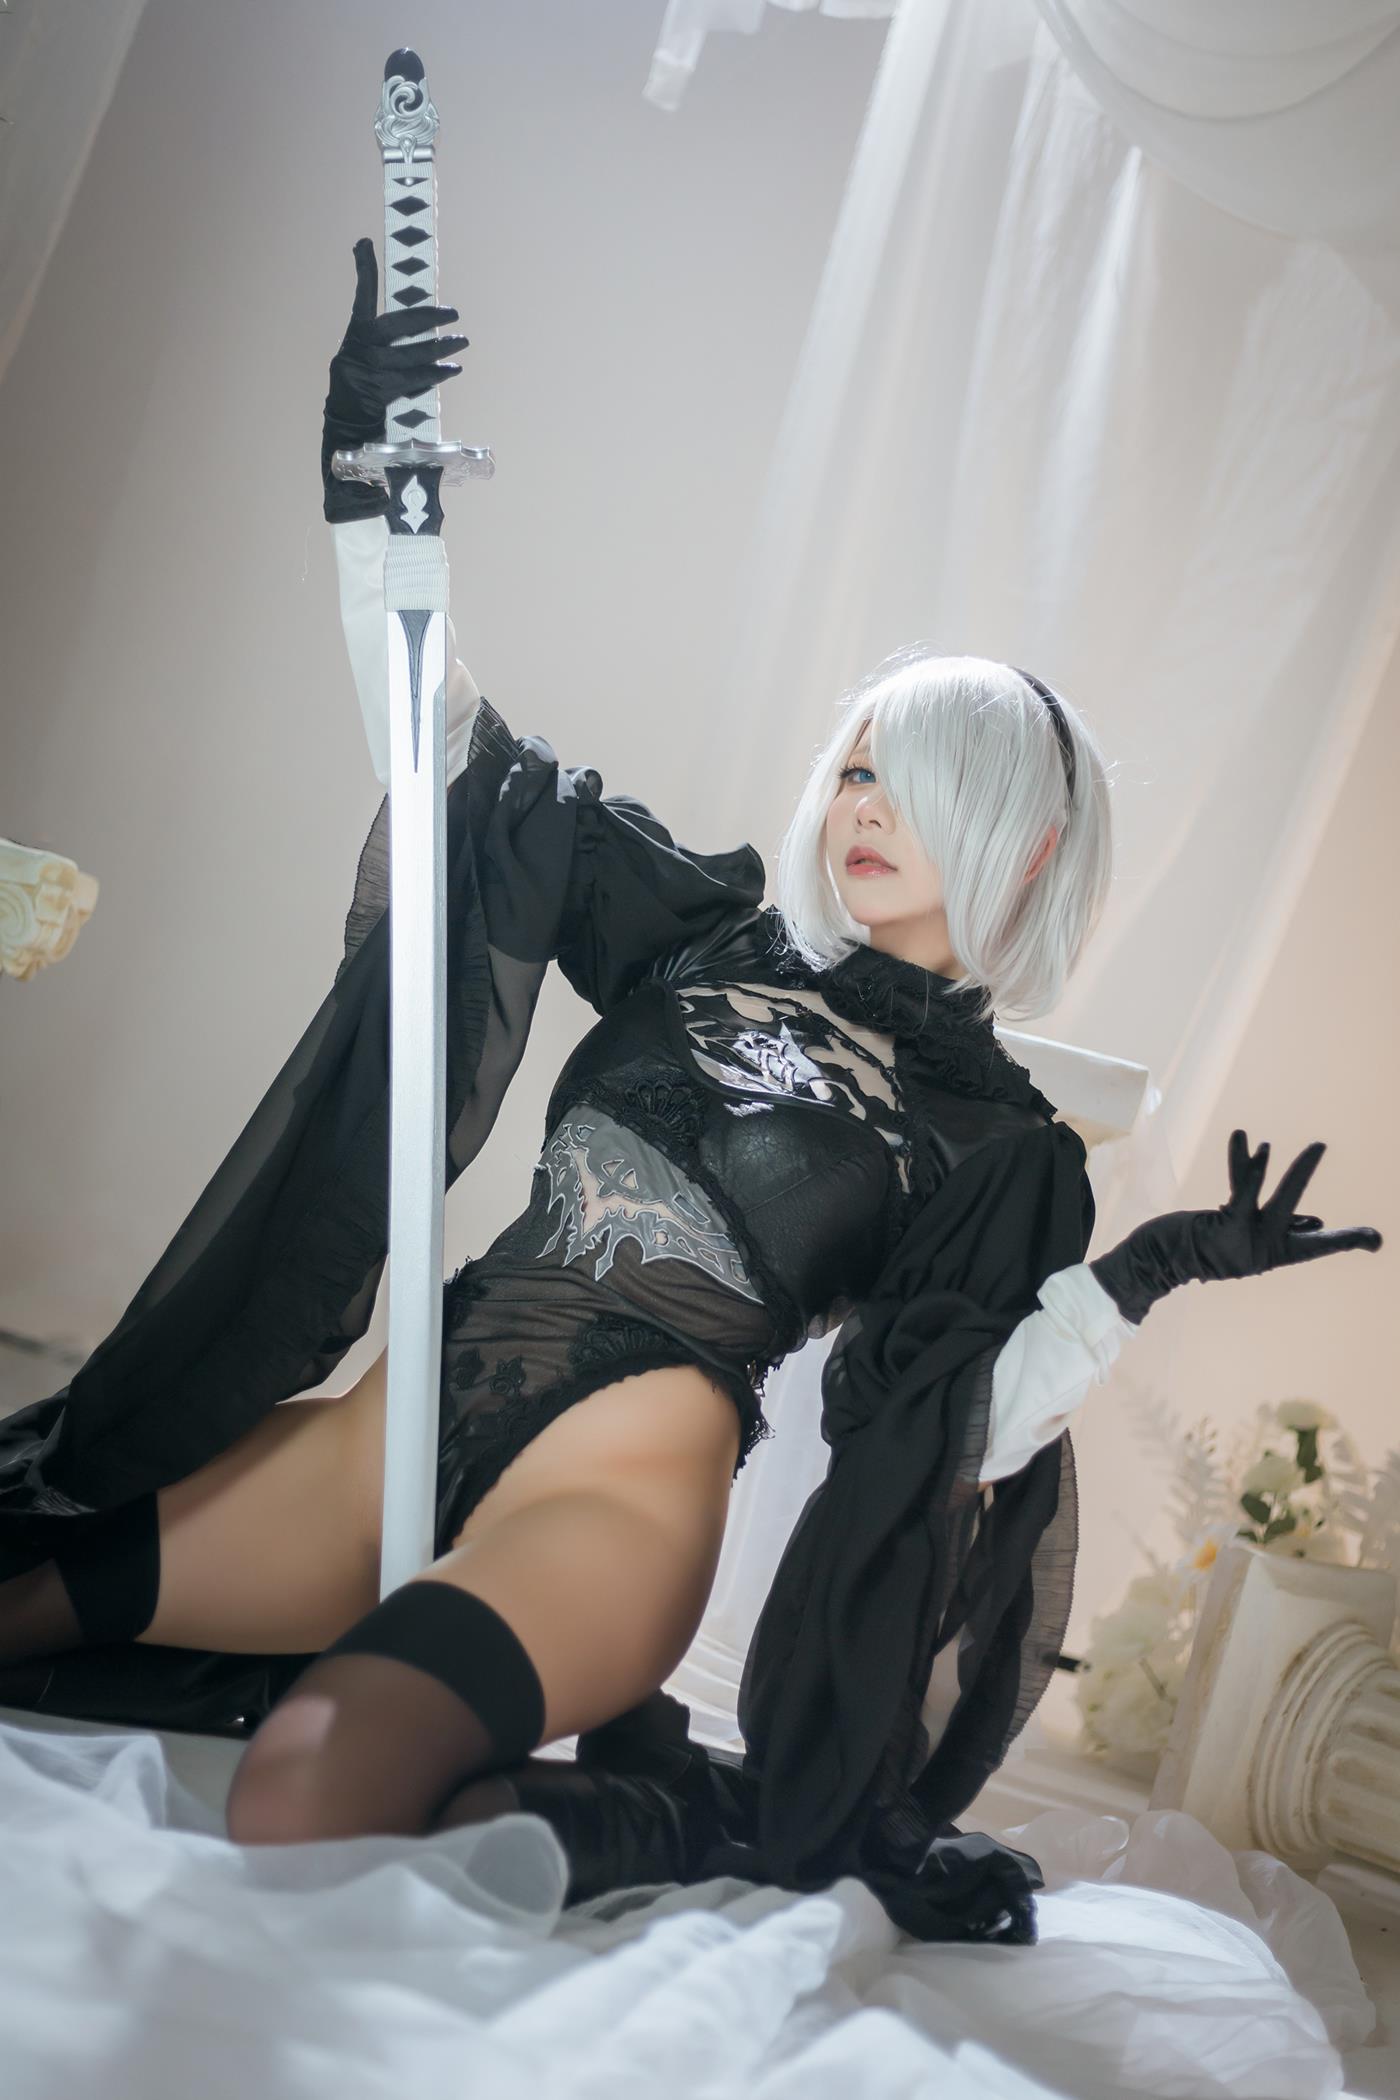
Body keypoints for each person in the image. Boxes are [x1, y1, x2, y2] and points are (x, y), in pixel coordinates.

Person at [0, 241, 1381, 1943]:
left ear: (1021, 845)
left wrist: (1138, 1279)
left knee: (306, 1789)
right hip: (396, 1428)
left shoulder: (997, 1142)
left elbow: (956, 1419)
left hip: (616, 1501)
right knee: (23, 1598)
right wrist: (374, 487)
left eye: (917, 782)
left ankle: (660, 1805)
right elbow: (446, 751)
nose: (865, 806)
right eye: (858, 767)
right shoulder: (701, 927)